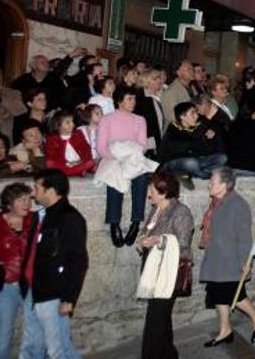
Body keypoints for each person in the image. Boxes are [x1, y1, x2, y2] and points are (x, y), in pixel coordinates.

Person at [18, 169, 91, 359]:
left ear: (51, 190)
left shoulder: (70, 218)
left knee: (59, 351)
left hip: (53, 292)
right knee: (32, 347)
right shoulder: (40, 215)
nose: (33, 193)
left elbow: (78, 261)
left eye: (37, 188)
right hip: (33, 291)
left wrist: (69, 298)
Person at [198, 167, 255, 346]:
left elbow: (244, 237)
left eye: (212, 182)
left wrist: (247, 262)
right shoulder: (217, 202)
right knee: (218, 295)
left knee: (234, 296)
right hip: (216, 258)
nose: (209, 185)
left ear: (223, 185)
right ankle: (225, 330)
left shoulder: (238, 205)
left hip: (230, 260)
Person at [135, 172, 194, 359]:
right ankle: (168, 351)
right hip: (153, 268)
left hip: (169, 271)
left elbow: (184, 242)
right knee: (162, 315)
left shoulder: (181, 212)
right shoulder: (155, 209)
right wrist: (142, 240)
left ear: (162, 191)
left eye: (151, 188)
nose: (148, 192)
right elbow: (146, 232)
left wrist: (160, 240)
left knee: (154, 318)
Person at [97, 86, 151, 247]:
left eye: (134, 99)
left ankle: (136, 222)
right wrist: (117, 157)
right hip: (112, 158)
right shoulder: (107, 120)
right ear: (119, 101)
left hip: (132, 158)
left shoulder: (139, 120)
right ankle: (114, 223)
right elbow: (101, 148)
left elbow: (142, 145)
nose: (133, 102)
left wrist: (128, 156)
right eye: (129, 99)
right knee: (114, 176)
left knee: (141, 177)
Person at [0, 183, 36, 359]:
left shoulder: (36, 221)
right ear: (9, 203)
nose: (27, 203)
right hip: (5, 286)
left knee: (35, 333)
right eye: (21, 199)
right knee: (2, 335)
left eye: (28, 198)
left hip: (31, 284)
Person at [159, 102, 228, 189]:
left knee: (222, 158)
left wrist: (207, 139)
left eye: (196, 112)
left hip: (194, 161)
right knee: (191, 163)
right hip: (172, 163)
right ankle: (204, 175)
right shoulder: (173, 128)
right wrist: (207, 119)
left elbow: (203, 149)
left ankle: (191, 173)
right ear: (182, 117)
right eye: (193, 113)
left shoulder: (195, 129)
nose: (196, 116)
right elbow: (189, 141)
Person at [11, 49, 84, 111]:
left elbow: (65, 99)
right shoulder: (22, 81)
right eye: (42, 63)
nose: (46, 64)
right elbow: (14, 97)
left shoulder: (53, 79)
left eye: (47, 62)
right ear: (34, 66)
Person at [44, 110, 96, 177]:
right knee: (50, 164)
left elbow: (86, 150)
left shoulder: (78, 135)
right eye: (68, 122)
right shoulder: (52, 139)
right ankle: (74, 171)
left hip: (78, 163)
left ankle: (74, 171)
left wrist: (83, 161)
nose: (72, 124)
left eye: (72, 121)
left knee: (90, 163)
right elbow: (50, 155)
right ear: (58, 125)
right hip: (63, 165)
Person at [135, 69, 167, 159]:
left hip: (156, 140)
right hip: (147, 143)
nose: (159, 81)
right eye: (155, 79)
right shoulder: (140, 98)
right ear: (146, 81)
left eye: (159, 78)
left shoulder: (155, 96)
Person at [0, 66, 27, 144]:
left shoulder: (13, 93)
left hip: (4, 138)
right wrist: (2, 117)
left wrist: (1, 99)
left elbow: (21, 110)